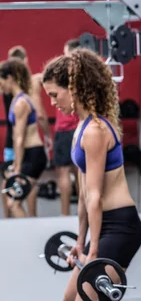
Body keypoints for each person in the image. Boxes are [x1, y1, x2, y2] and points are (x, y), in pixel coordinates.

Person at [42, 48, 141, 301]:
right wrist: (81, 240)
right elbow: (84, 194)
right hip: (104, 225)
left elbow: (96, 196)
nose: (52, 102)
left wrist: (95, 249)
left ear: (73, 89)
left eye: (54, 94)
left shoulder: (96, 131)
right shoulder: (81, 129)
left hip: (120, 227)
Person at [2, 46, 52, 217]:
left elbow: (19, 138)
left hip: (33, 155)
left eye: (2, 83)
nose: (1, 88)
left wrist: (16, 166)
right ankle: (29, 230)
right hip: (30, 154)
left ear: (10, 79)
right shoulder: (18, 99)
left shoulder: (21, 102)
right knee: (14, 200)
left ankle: (31, 238)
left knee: (14, 203)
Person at [53, 39, 82, 216]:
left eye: (66, 52)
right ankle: (82, 212)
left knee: (63, 172)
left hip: (64, 130)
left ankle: (65, 215)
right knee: (80, 172)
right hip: (80, 128)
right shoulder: (84, 74)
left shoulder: (61, 73)